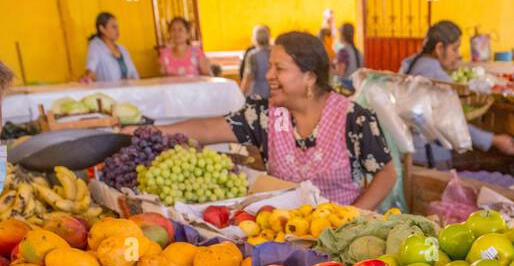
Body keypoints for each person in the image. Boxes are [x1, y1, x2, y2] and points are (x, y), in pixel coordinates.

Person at [158, 30, 395, 209]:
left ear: (309, 77)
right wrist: (148, 130)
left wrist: (352, 218)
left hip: (339, 233)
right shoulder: (264, 115)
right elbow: (208, 129)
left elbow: (386, 173)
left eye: (279, 69)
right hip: (285, 233)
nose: (268, 76)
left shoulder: (354, 119)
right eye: (270, 67)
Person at [399, 20, 514, 166]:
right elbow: (453, 125)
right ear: (439, 48)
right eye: (454, 49)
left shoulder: (413, 63)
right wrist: (494, 140)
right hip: (429, 155)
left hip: (409, 151)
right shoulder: (436, 76)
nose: (458, 55)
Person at [82, 13, 139, 83]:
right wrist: (87, 76)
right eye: (113, 27)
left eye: (117, 27)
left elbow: (133, 72)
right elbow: (91, 66)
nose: (117, 30)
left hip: (128, 90)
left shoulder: (122, 49)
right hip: (109, 92)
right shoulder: (96, 46)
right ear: (102, 29)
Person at [240, 25, 272, 99]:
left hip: (257, 92)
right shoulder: (274, 52)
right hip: (273, 91)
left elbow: (248, 77)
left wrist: (241, 95)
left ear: (255, 38)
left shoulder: (253, 55)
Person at [334, 22, 363, 90]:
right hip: (357, 87)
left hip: (345, 89)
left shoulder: (343, 52)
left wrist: (329, 68)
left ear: (342, 35)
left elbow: (340, 73)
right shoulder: (359, 52)